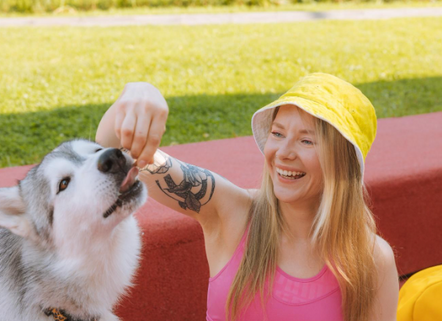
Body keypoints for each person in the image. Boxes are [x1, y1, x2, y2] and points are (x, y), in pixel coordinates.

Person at [96, 73, 399, 321]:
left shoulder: (371, 259)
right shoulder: (231, 211)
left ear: (343, 162)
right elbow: (116, 151)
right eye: (278, 134)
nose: (283, 153)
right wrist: (137, 94)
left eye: (306, 140)